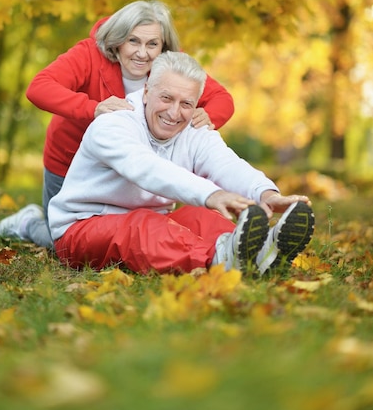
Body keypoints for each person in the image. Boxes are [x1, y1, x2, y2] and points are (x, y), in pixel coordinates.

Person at [48, 51, 315, 276]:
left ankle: (262, 251)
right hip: (81, 228)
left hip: (156, 221)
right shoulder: (113, 123)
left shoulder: (193, 128)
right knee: (143, 226)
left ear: (196, 104)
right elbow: (148, 168)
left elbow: (226, 163)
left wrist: (266, 194)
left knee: (203, 216)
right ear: (146, 92)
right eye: (166, 98)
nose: (174, 113)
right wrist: (211, 193)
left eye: (186, 103)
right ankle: (219, 260)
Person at [0, 0, 235, 247]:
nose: (143, 53)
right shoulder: (89, 54)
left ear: (163, 47)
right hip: (70, 161)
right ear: (118, 39)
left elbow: (221, 98)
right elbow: (40, 87)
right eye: (133, 41)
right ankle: (28, 224)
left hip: (134, 165)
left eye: (152, 44)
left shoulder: (170, 66)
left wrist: (208, 116)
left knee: (128, 234)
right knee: (64, 242)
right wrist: (93, 108)